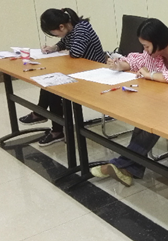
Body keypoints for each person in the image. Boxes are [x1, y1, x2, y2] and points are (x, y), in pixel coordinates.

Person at [90, 18, 168, 186]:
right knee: (150, 114)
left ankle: (123, 164)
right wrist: (120, 65)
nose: (145, 50)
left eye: (147, 46)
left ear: (159, 42)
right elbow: (138, 61)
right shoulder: (155, 53)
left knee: (157, 116)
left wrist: (151, 75)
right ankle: (128, 168)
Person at [18, 8, 106, 146]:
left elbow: (76, 52)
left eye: (54, 33)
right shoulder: (71, 28)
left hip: (95, 73)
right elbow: (64, 42)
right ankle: (47, 120)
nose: (56, 36)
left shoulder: (82, 28)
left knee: (54, 86)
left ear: (61, 26)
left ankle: (50, 123)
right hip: (80, 70)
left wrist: (65, 51)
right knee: (50, 83)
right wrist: (54, 48)